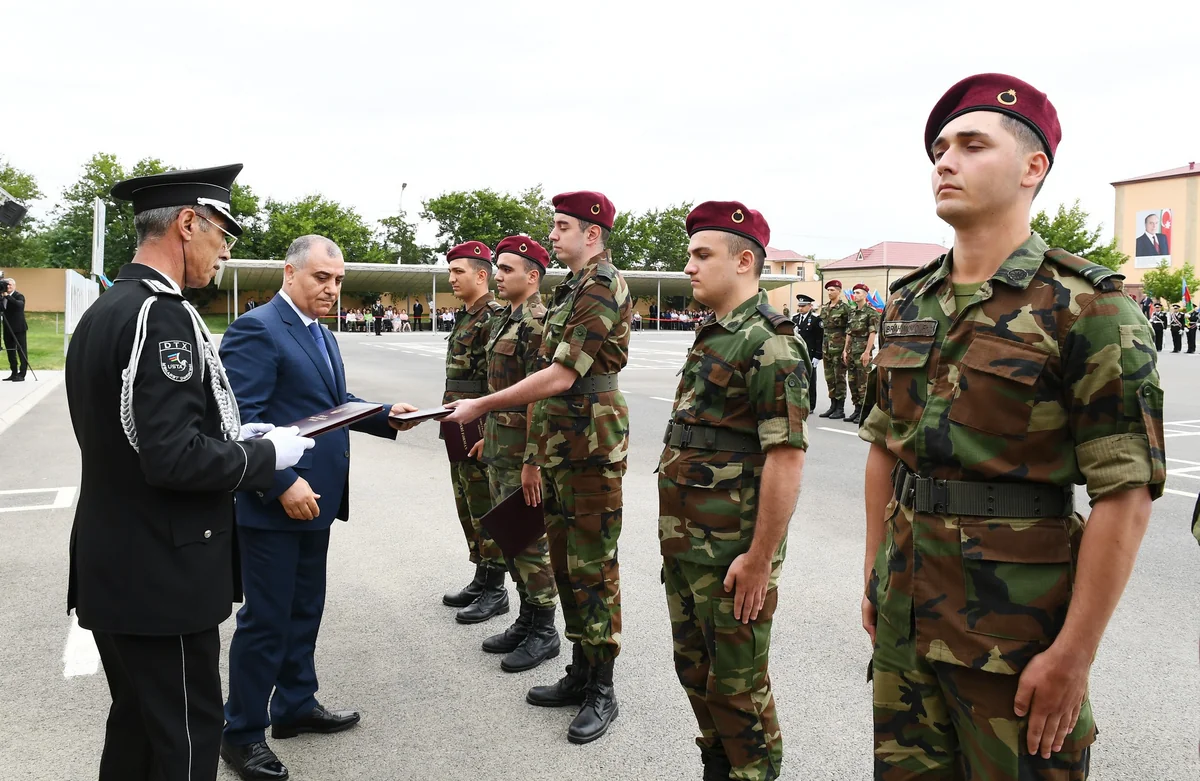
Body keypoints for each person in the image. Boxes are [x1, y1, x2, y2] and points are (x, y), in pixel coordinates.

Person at [861, 73, 1165, 779]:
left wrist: (1075, 652)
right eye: (939, 147)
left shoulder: (1090, 309)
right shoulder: (909, 302)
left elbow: (1123, 497)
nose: (945, 160)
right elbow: (883, 448)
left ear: (1034, 168)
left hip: (1016, 637)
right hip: (907, 619)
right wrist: (875, 572)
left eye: (972, 145)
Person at [65, 164, 316, 781]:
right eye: (221, 235)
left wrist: (236, 434)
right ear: (186, 224)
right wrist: (265, 458)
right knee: (183, 738)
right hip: (162, 573)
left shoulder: (110, 308)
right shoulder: (162, 316)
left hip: (120, 563)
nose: (225, 252)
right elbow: (172, 457)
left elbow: (138, 436)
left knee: (138, 733)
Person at [218, 235, 417, 781]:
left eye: (337, 280)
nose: (331, 288)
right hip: (274, 505)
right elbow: (239, 425)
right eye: (321, 278)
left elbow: (328, 408)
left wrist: (383, 415)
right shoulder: (256, 330)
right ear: (289, 273)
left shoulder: (321, 333)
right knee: (265, 621)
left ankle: (295, 705)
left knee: (305, 608)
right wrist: (280, 482)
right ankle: (240, 734)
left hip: (317, 501)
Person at [444, 190, 631, 745]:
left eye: (562, 226)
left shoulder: (600, 284)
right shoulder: (573, 285)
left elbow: (560, 375)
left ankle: (602, 686)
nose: (553, 235)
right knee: (565, 560)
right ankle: (578, 669)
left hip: (590, 445)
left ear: (591, 233)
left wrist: (481, 406)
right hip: (559, 441)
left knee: (592, 566)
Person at [660, 202, 809, 781]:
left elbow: (786, 457)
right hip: (689, 546)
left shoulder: (769, 343)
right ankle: (718, 767)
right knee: (696, 674)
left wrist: (760, 558)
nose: (690, 267)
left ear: (744, 261)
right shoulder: (716, 334)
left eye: (702, 255)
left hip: (731, 555)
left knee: (739, 689)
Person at [469, 235, 562, 672]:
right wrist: (490, 434)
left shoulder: (537, 323)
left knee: (528, 540)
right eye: (497, 267)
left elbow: (538, 398)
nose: (498, 275)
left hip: (523, 453)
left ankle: (545, 628)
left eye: (506, 269)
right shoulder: (507, 319)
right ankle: (526, 617)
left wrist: (532, 460)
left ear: (532, 276)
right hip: (500, 446)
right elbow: (499, 392)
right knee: (509, 537)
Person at [439, 240, 509, 624]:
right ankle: (482, 575)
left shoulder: (494, 316)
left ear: (482, 275)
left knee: (486, 504)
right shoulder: (467, 316)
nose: (451, 279)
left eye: (458, 272)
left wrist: (492, 430)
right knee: (466, 502)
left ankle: (496, 588)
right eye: (450, 272)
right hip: (457, 423)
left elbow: (500, 381)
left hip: (480, 427)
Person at [843, 283, 880, 424]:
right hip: (852, 351)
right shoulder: (852, 312)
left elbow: (872, 333)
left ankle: (865, 412)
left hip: (863, 350)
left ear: (865, 295)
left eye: (858, 292)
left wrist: (867, 352)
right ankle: (857, 409)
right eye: (854, 292)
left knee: (863, 382)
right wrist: (845, 350)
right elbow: (849, 333)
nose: (855, 295)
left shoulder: (871, 312)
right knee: (852, 381)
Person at [817, 279, 852, 418]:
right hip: (826, 348)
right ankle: (832, 405)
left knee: (840, 377)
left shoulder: (845, 308)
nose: (829, 292)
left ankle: (840, 408)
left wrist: (846, 349)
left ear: (839, 291)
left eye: (832, 290)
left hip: (839, 347)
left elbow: (850, 329)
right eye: (828, 290)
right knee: (829, 377)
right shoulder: (825, 308)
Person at [793, 293, 823, 415]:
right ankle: (798, 403)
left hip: (810, 353)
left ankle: (810, 405)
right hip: (798, 353)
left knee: (810, 379)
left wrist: (817, 355)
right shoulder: (794, 318)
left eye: (803, 306)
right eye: (799, 306)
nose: (800, 308)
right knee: (797, 378)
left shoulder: (816, 319)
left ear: (810, 306)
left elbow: (819, 339)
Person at [0, 276, 28, 381]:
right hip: (7, 328)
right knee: (10, 351)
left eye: (10, 284)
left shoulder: (18, 295)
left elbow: (19, 306)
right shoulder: (2, 296)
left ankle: (22, 374)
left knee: (21, 350)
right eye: (6, 285)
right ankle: (14, 372)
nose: (8, 286)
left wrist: (7, 296)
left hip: (19, 328)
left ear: (14, 286)